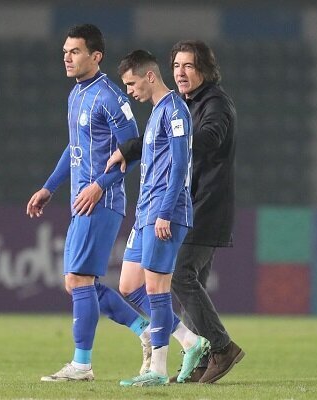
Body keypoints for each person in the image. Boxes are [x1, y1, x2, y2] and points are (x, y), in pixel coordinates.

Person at [106, 40, 244, 384]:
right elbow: (160, 141)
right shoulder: (178, 105)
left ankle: (220, 347)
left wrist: (177, 141)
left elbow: (208, 139)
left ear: (204, 70)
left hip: (204, 206)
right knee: (185, 281)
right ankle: (197, 350)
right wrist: (131, 148)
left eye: (189, 66)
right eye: (177, 65)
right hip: (186, 202)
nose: (181, 72)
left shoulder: (215, 104)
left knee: (180, 276)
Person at [26, 24, 151, 382]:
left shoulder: (111, 97)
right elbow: (75, 146)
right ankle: (144, 330)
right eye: (65, 51)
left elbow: (133, 150)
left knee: (80, 280)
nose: (67, 57)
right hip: (81, 200)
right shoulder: (76, 94)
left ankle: (82, 365)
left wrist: (100, 185)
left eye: (75, 51)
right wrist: (50, 187)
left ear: (96, 56)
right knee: (76, 283)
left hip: (102, 200)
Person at [114, 49, 210, 387]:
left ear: (150, 76)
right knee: (129, 285)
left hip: (165, 212)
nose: (130, 91)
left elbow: (181, 164)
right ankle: (189, 340)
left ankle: (157, 368)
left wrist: (166, 212)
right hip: (145, 212)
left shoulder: (175, 110)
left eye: (132, 83)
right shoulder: (156, 112)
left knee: (156, 287)